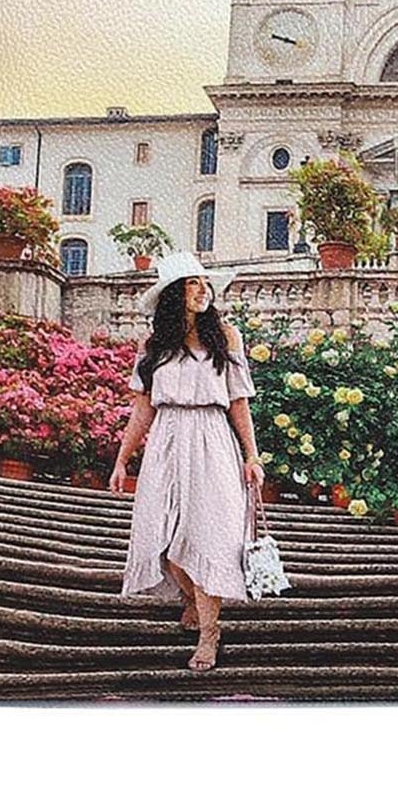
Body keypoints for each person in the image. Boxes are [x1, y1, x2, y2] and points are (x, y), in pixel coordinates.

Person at [109, 253, 264, 672]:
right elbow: (142, 409)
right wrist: (122, 460)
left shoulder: (226, 337)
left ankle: (209, 633)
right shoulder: (153, 346)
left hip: (212, 439)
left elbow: (239, 401)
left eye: (204, 282)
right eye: (192, 283)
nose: (202, 289)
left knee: (208, 537)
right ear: (174, 294)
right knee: (167, 544)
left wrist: (251, 455)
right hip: (166, 441)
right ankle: (190, 596)